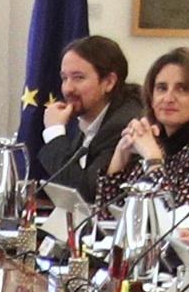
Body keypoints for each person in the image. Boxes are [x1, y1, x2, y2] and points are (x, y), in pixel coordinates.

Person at [103, 45, 189, 234]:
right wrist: (119, 159)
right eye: (161, 88)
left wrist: (152, 159)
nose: (168, 98)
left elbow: (175, 221)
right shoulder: (157, 142)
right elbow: (107, 220)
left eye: (182, 89)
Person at [30, 34, 136, 190]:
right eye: (64, 78)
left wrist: (54, 133)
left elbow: (87, 191)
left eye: (78, 78)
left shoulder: (123, 124)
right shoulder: (83, 116)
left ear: (109, 82)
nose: (68, 89)